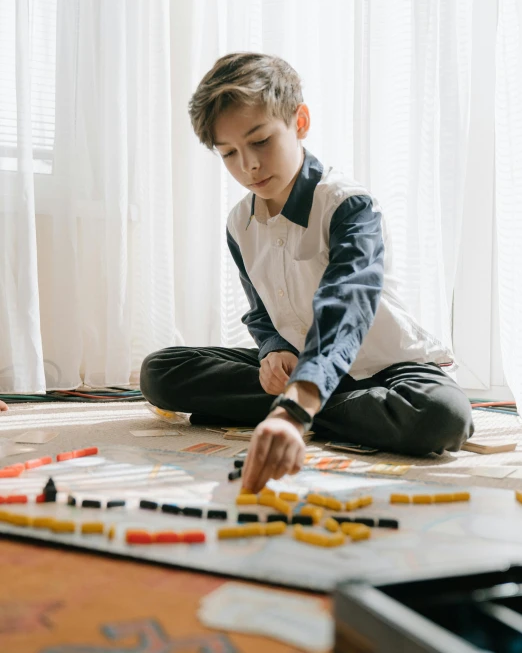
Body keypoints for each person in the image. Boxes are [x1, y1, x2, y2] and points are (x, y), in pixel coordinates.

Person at [140, 52, 474, 493]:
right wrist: (272, 349)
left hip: (386, 370)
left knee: (441, 416)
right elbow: (261, 311)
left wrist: (295, 407)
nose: (249, 166)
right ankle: (320, 406)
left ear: (299, 122)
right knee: (161, 372)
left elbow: (346, 309)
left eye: (260, 141)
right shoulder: (239, 224)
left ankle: (304, 409)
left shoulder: (348, 205)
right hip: (303, 371)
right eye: (229, 154)